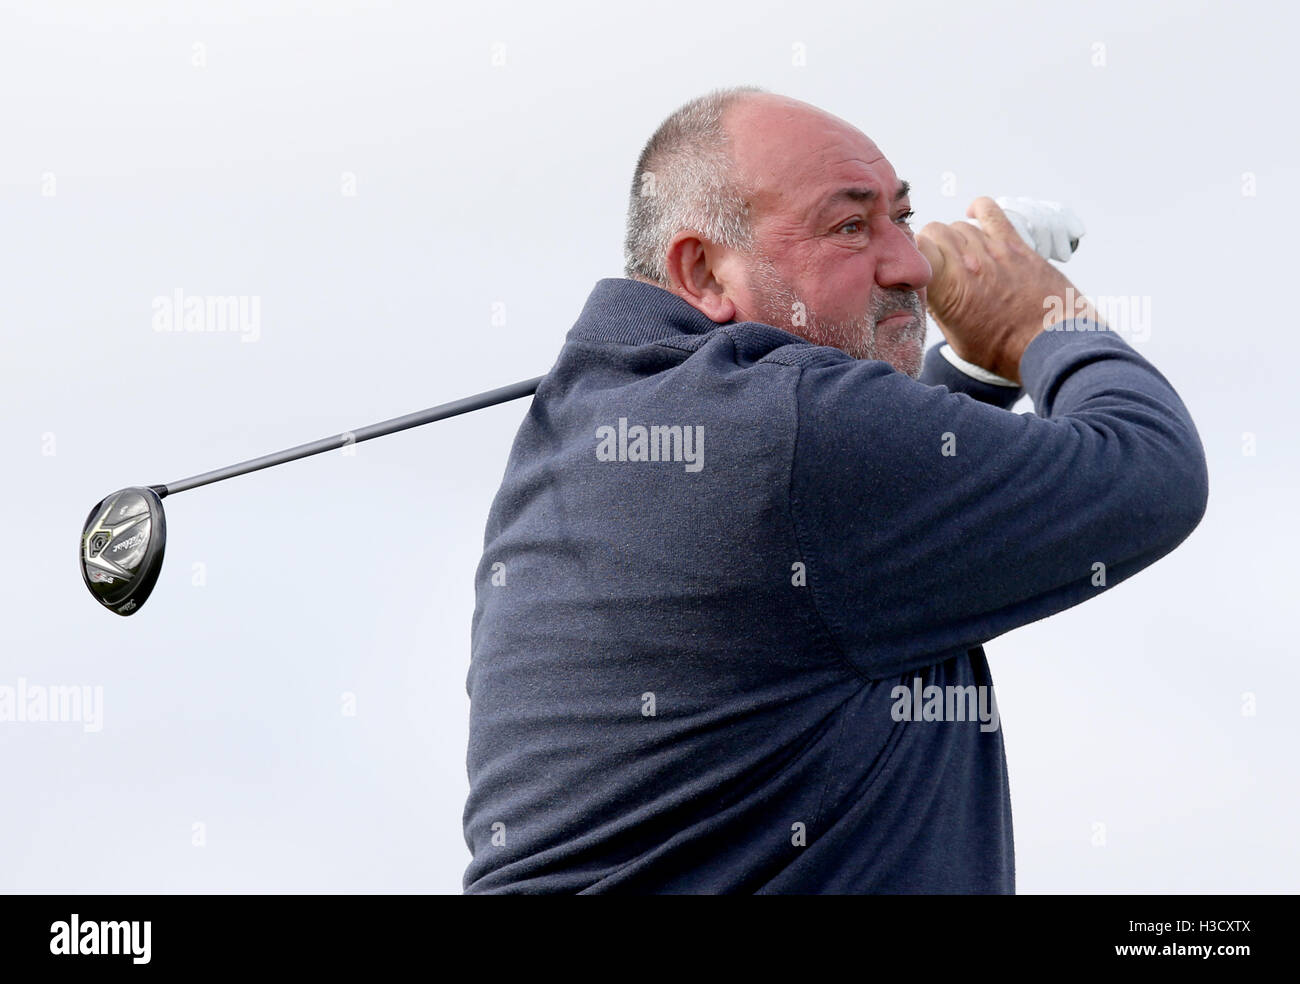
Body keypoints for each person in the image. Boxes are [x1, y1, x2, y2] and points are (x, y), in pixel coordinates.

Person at [460, 86, 1208, 893]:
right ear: (703, 270)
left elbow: (858, 505)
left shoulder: (599, 430)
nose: (913, 265)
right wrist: (1041, 317)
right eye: (851, 226)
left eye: (904, 219)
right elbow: (1150, 471)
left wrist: (975, 367)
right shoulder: (794, 432)